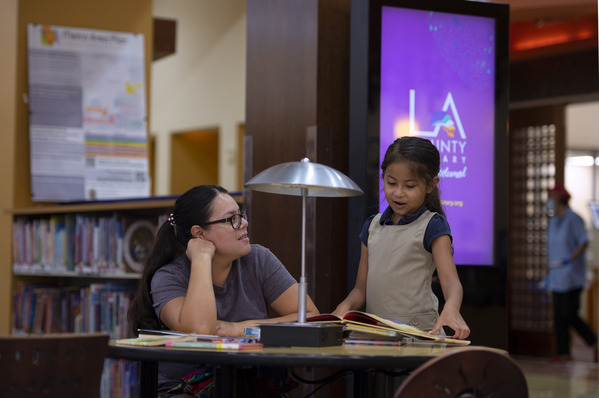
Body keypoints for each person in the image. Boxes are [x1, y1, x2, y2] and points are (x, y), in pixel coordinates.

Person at [128, 185, 319, 397]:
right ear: (199, 234)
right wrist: (201, 257)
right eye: (232, 219)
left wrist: (240, 329)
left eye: (241, 215)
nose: (244, 223)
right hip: (185, 390)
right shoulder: (168, 277)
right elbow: (201, 331)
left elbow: (310, 317)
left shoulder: (259, 260)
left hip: (247, 384)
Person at [333, 136, 470, 340]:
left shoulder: (432, 225)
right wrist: (343, 307)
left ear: (431, 185)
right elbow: (360, 289)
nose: (398, 193)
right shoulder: (372, 226)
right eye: (391, 183)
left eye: (409, 186)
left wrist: (451, 308)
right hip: (376, 334)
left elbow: (451, 282)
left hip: (418, 335)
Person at [545, 183, 597, 362]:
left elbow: (583, 242)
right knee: (558, 315)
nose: (549, 202)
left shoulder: (574, 219)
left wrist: (570, 259)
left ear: (559, 200)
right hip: (557, 276)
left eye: (551, 198)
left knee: (568, 312)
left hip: (572, 275)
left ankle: (593, 341)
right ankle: (564, 353)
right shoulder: (553, 222)